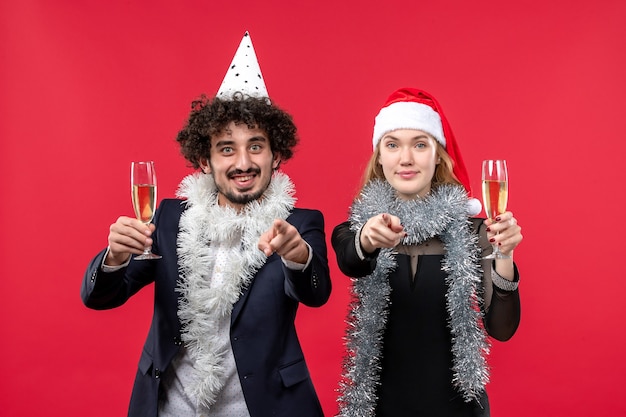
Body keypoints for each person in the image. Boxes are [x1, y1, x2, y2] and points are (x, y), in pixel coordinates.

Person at [81, 32, 331, 417]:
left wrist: (298, 256)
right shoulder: (168, 219)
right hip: (170, 408)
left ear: (276, 154)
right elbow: (101, 298)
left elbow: (315, 292)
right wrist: (113, 257)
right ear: (204, 161)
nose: (243, 162)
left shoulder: (298, 223)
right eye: (226, 148)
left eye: (256, 146)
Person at [332, 87, 522, 417]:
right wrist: (367, 239)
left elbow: (502, 330)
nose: (406, 158)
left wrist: (503, 255)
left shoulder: (473, 233)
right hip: (379, 409)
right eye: (393, 145)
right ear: (380, 156)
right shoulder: (355, 229)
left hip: (458, 409)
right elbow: (352, 259)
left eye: (420, 144)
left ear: (438, 155)